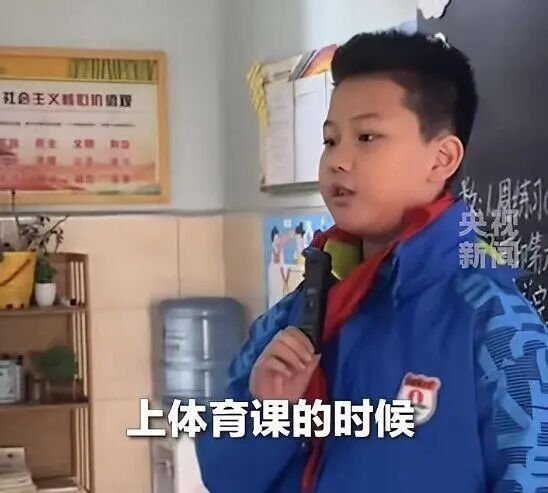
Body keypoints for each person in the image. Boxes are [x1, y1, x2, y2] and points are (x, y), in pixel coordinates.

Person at [195, 31, 548, 492]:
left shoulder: (494, 322)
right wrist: (270, 413)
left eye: (367, 137)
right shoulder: (299, 313)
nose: (338, 160)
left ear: (441, 158)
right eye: (330, 140)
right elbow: (223, 477)